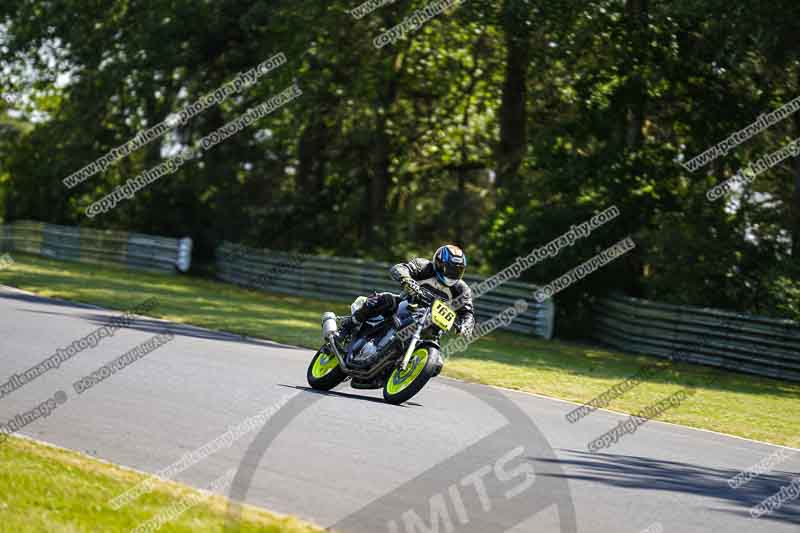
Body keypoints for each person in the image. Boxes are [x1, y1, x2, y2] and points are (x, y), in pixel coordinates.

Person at [337, 245, 475, 340]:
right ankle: (348, 327)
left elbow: (467, 313)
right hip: (405, 307)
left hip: (431, 324)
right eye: (450, 269)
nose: (453, 274)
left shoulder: (462, 289)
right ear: (439, 263)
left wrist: (466, 326)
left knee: (435, 366)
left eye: (458, 270)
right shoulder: (424, 266)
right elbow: (400, 268)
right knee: (384, 299)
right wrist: (407, 280)